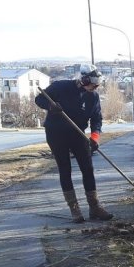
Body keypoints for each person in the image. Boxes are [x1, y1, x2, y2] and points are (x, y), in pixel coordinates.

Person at [35, 64, 113, 223]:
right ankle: (74, 208)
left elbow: (96, 119)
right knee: (65, 169)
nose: (95, 87)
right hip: (56, 133)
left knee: (88, 168)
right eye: (93, 84)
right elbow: (39, 99)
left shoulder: (93, 97)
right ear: (84, 80)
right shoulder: (60, 87)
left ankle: (94, 207)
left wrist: (95, 137)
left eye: (97, 85)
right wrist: (51, 106)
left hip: (78, 133)